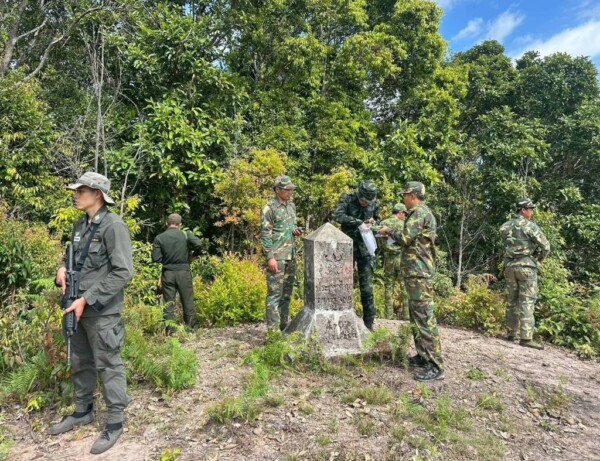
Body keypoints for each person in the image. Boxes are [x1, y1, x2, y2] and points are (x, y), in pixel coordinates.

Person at [50, 172, 134, 454]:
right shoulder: (80, 225)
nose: (76, 195)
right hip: (75, 307)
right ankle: (82, 410)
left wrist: (87, 299)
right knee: (80, 360)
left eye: (81, 190)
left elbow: (123, 272)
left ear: (97, 194)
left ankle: (115, 422)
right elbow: (75, 261)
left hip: (101, 311)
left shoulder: (113, 226)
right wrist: (61, 270)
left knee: (108, 364)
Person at [378, 182, 444, 381]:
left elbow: (406, 238)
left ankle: (436, 365)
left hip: (419, 272)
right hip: (415, 272)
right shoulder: (419, 213)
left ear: (413, 196)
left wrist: (388, 231)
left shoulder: (419, 213)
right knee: (416, 316)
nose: (403, 198)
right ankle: (423, 356)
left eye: (405, 195)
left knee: (424, 317)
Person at [500, 198, 550, 350]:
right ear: (523, 210)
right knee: (527, 301)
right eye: (530, 209)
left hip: (509, 267)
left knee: (511, 301)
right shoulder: (530, 226)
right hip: (526, 267)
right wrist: (538, 260)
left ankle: (511, 334)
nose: (532, 212)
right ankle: (526, 338)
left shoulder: (504, 226)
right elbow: (546, 247)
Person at [334, 180, 380, 331]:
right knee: (342, 284)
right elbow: (338, 216)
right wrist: (358, 222)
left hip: (365, 247)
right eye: (363, 201)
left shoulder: (374, 203)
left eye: (368, 202)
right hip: (347, 247)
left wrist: (373, 222)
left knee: (367, 287)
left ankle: (369, 323)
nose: (365, 204)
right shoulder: (347, 199)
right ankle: (340, 320)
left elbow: (378, 219)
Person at [260, 175, 302, 331]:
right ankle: (273, 334)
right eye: (287, 189)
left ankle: (284, 328)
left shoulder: (291, 206)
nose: (290, 192)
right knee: (274, 295)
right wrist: (270, 257)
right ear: (277, 190)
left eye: (291, 189)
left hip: (291, 256)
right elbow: (265, 234)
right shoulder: (269, 208)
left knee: (286, 295)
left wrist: (295, 231)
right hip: (277, 257)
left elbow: (290, 227)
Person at [152, 213, 203, 333]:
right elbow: (198, 244)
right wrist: (193, 255)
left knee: (168, 303)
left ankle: (170, 331)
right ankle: (191, 329)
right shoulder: (185, 234)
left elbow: (156, 258)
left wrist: (166, 261)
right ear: (180, 224)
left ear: (166, 223)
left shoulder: (159, 238)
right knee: (187, 300)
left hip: (168, 273)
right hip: (184, 272)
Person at [378, 203, 409, 320]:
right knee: (404, 286)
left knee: (388, 286)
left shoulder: (382, 224)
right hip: (401, 258)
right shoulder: (403, 225)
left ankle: (388, 316)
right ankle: (407, 316)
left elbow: (379, 241)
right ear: (400, 213)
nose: (404, 216)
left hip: (388, 258)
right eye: (404, 214)